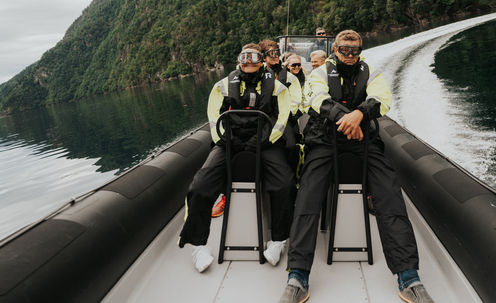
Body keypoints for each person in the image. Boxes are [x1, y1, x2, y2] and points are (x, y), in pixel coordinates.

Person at [277, 30, 435, 303]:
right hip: (325, 141)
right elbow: (318, 100)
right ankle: (298, 275)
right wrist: (348, 119)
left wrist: (360, 114)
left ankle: (408, 276)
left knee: (389, 193)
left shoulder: (372, 73)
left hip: (364, 141)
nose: (349, 56)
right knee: (308, 195)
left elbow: (382, 98)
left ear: (360, 50)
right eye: (344, 50)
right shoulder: (320, 73)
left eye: (354, 50)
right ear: (335, 49)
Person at [179, 44, 294, 272]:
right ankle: (199, 246)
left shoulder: (278, 87)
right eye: (245, 58)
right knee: (199, 186)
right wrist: (228, 140)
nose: (249, 63)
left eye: (254, 59)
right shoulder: (221, 87)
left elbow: (282, 119)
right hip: (229, 141)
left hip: (265, 140)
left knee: (285, 184)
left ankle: (278, 241)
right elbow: (214, 120)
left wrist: (260, 141)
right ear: (239, 61)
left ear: (262, 61)